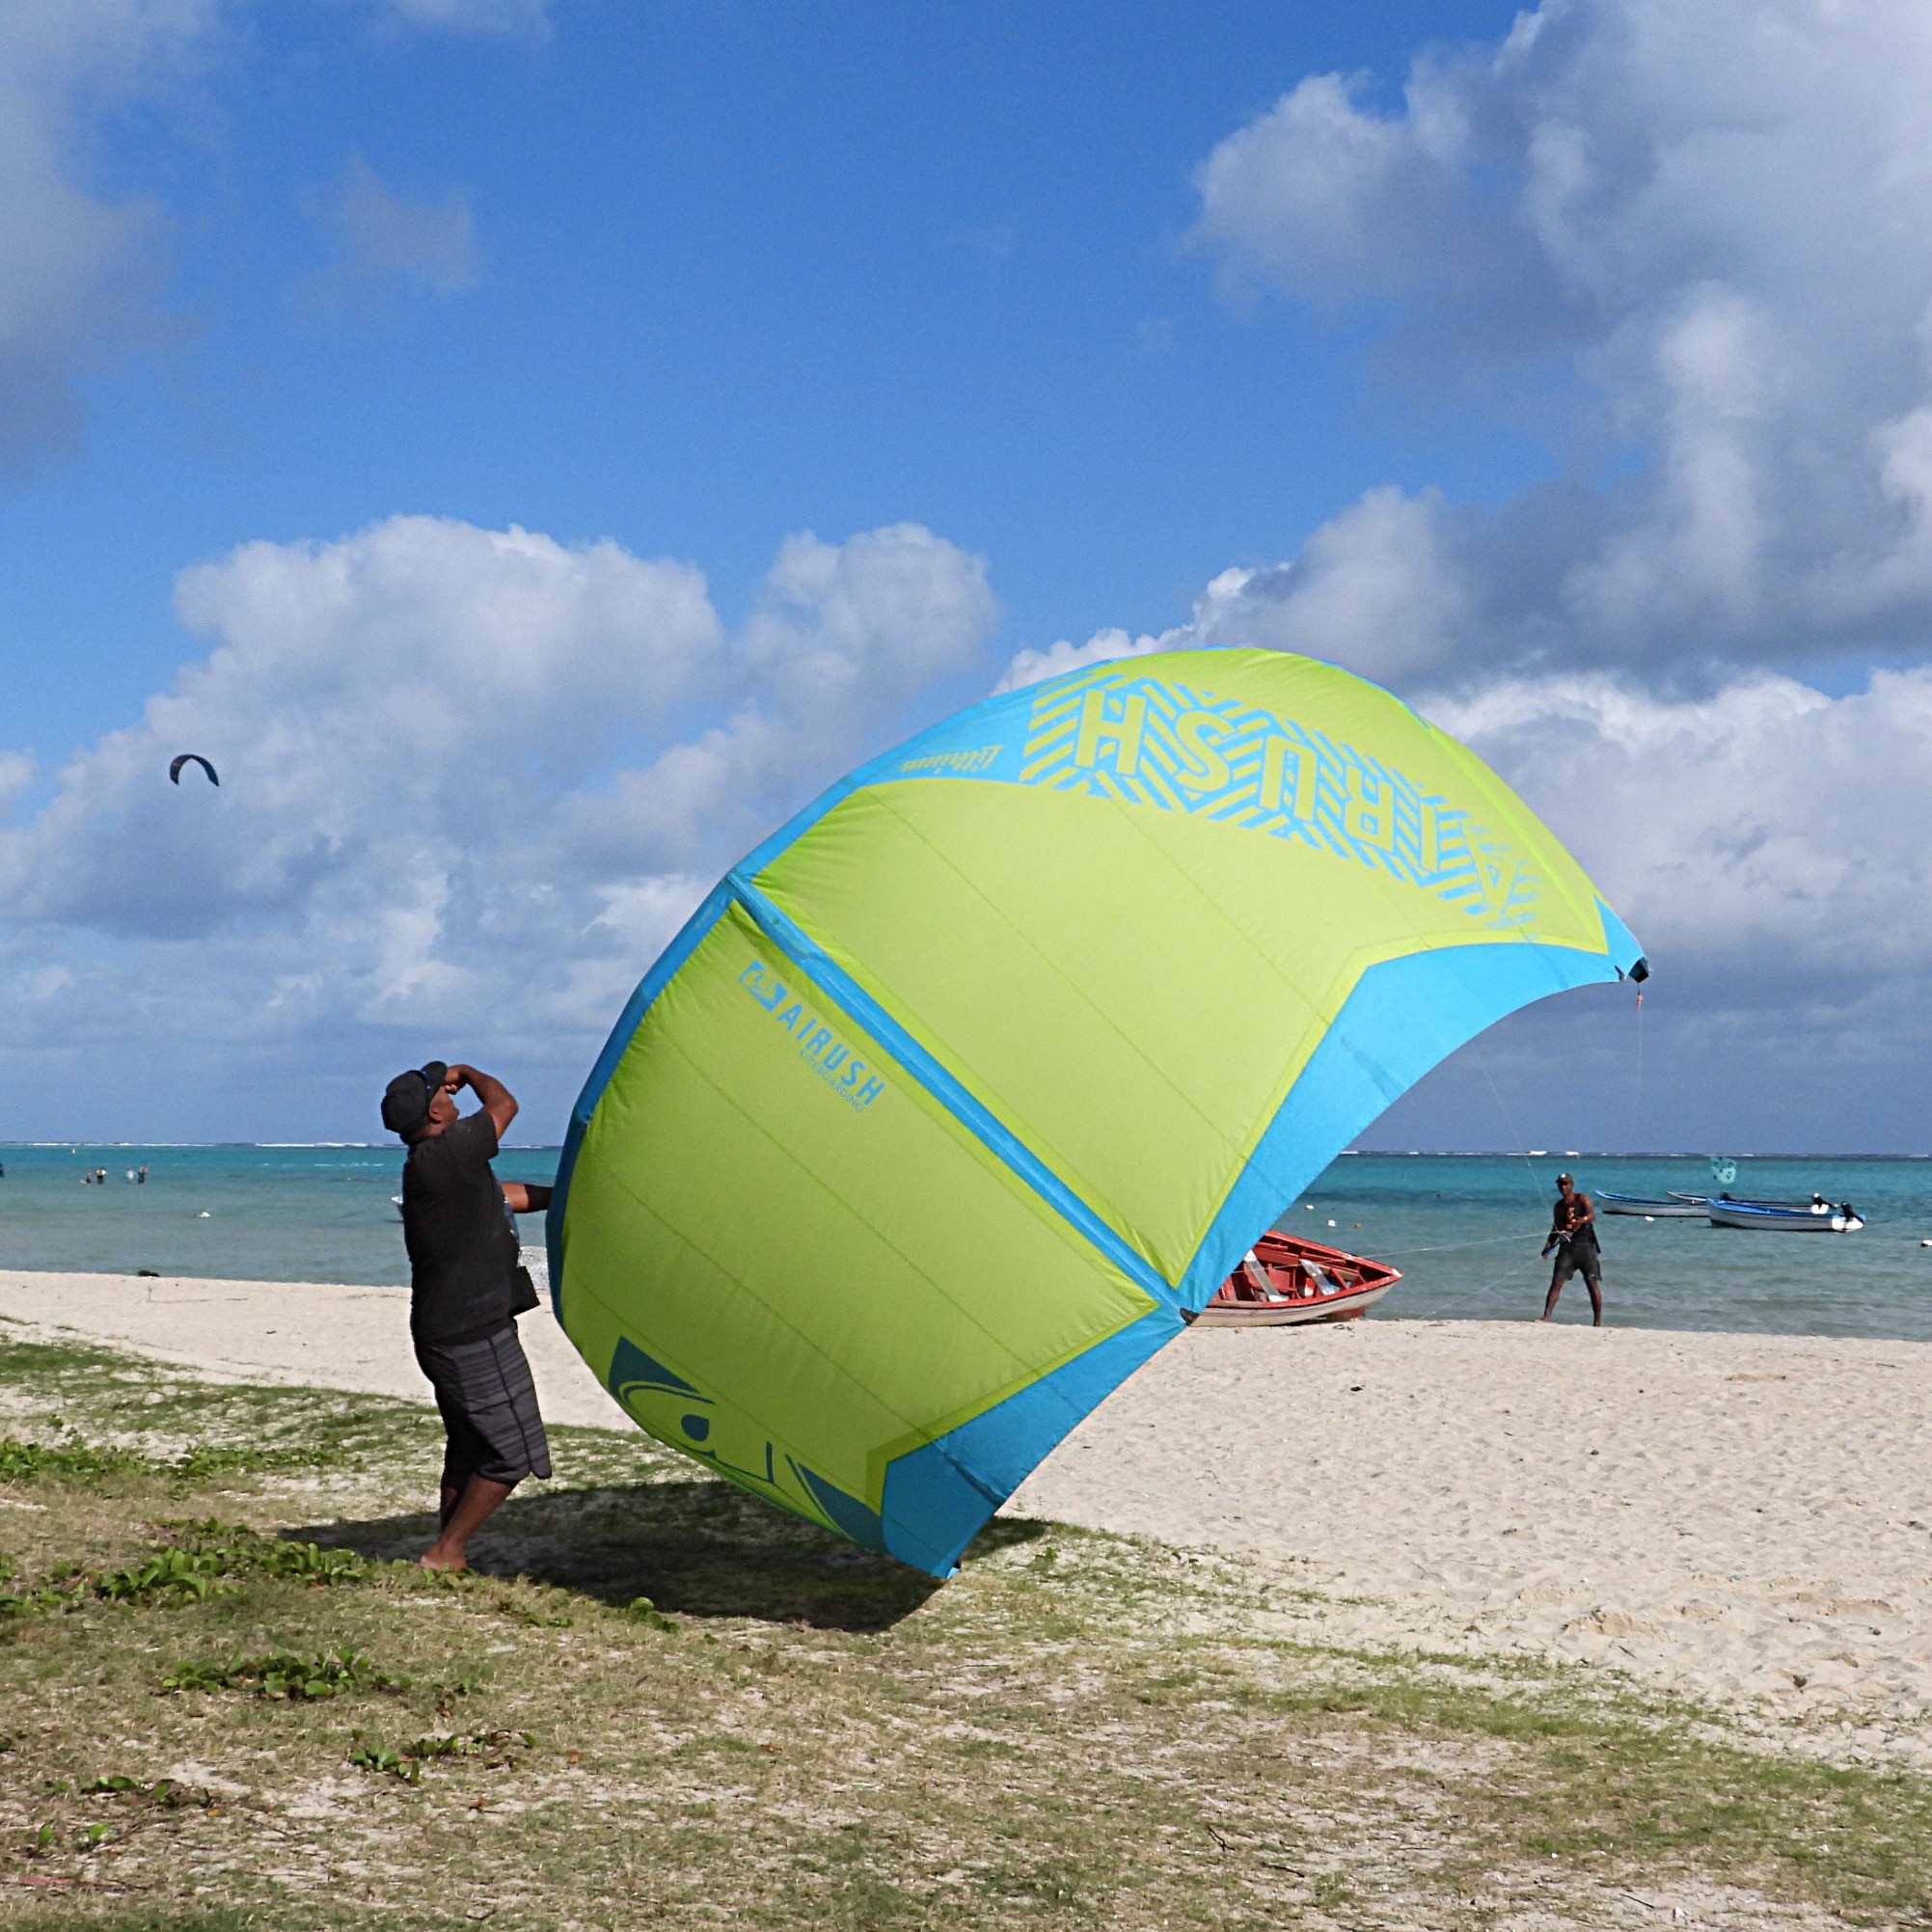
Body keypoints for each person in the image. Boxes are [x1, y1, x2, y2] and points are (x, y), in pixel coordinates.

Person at [382, 1060, 554, 1571]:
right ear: (436, 1110)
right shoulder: (449, 1150)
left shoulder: (434, 1165)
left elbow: (503, 1198)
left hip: (442, 1330)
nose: (452, 1092)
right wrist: (470, 1071)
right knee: (513, 1451)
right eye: (443, 1090)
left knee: (469, 1446)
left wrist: (569, 1198)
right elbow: (505, 1105)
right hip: (472, 1332)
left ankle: (446, 1547)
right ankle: (445, 1552)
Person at [1537, 1171, 1602, 1325]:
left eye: (1565, 1184)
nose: (1563, 1187)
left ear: (1572, 1185)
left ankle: (1597, 1322)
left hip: (1586, 1247)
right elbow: (1556, 1228)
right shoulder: (1558, 1206)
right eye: (1560, 1184)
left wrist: (1582, 1220)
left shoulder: (1582, 1198)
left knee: (1592, 1284)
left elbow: (1592, 1215)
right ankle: (1546, 1317)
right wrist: (1548, 1246)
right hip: (1567, 1249)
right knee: (1556, 1281)